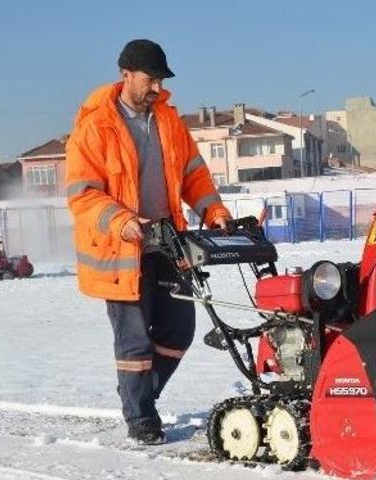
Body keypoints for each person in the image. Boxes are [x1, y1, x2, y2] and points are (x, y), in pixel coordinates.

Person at [66, 39, 231, 445]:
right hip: (122, 249)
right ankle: (140, 416)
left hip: (167, 241)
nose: (156, 88)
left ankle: (139, 394)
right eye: (149, 79)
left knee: (179, 329)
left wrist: (215, 211)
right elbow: (82, 194)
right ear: (126, 74)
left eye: (160, 80)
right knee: (135, 339)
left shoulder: (168, 121)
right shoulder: (94, 127)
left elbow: (194, 174)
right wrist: (121, 220)